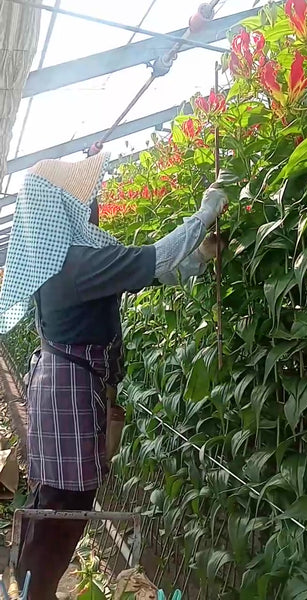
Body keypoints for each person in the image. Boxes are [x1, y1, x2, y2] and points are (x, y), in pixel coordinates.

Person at [0, 152, 227, 599]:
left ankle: (30, 585)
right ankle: (34, 590)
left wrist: (198, 258)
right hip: (69, 388)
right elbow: (155, 258)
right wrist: (204, 214)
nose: (94, 204)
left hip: (62, 386)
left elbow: (149, 275)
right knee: (67, 502)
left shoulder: (63, 263)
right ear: (61, 208)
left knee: (58, 499)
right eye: (85, 198)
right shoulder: (75, 264)